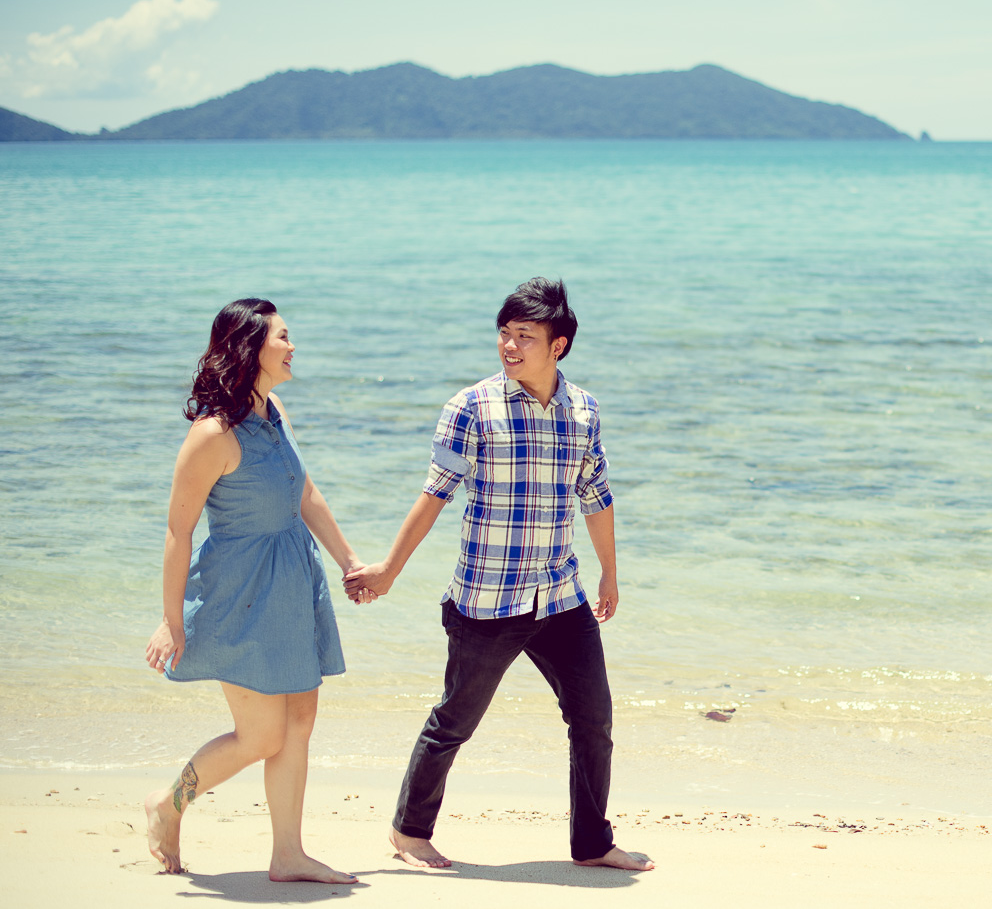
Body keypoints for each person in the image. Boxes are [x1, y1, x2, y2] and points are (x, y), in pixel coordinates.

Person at [342, 277, 652, 872]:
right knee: (454, 720)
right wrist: (388, 571)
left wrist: (610, 574)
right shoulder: (471, 408)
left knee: (594, 718)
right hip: (489, 599)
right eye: (504, 335)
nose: (509, 347)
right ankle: (409, 832)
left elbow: (597, 495)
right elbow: (434, 495)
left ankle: (592, 843)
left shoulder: (583, 409)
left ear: (557, 345)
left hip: (562, 594)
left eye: (524, 337)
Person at [143, 298, 370, 882]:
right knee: (261, 734)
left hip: (295, 582)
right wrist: (172, 619)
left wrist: (348, 561)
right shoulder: (212, 435)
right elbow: (178, 531)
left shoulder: (274, 411)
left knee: (299, 723)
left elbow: (305, 492)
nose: (293, 346)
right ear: (252, 347)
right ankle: (168, 805)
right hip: (241, 593)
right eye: (284, 337)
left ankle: (287, 854)